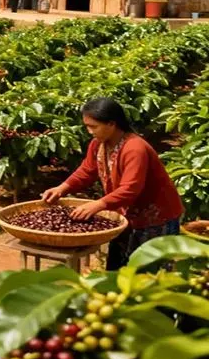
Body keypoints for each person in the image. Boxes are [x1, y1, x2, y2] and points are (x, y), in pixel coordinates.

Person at [42, 98, 183, 270]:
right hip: (126, 214)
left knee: (148, 275)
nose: (89, 131)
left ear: (111, 124)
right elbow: (87, 170)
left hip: (155, 217)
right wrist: (62, 188)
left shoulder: (135, 148)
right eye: (87, 126)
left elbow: (130, 188)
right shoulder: (98, 144)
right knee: (120, 268)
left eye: (93, 126)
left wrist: (99, 204)